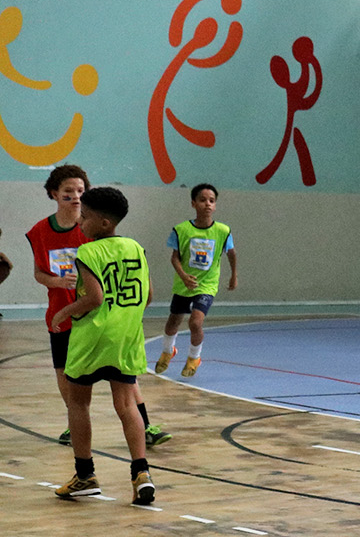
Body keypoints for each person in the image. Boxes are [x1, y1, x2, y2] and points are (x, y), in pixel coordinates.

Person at [27, 164, 168, 447]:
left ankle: (146, 426)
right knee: (65, 374)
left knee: (124, 378)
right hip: (62, 313)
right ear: (54, 193)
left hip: (99, 316)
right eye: (69, 191)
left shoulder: (93, 228)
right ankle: (74, 425)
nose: (76, 196)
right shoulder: (40, 231)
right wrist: (57, 282)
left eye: (81, 190)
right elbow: (39, 273)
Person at [49, 187, 157, 506]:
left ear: (105, 223)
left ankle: (85, 475)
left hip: (92, 338)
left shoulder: (88, 252)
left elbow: (94, 298)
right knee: (126, 404)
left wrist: (64, 312)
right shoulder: (136, 248)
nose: (80, 221)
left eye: (85, 216)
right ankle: (141, 474)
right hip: (126, 337)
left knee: (78, 403)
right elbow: (149, 296)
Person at [154, 182, 236, 377]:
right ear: (193, 203)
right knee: (173, 321)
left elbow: (231, 254)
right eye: (202, 200)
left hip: (206, 284)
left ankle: (194, 357)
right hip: (184, 284)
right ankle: (168, 351)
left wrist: (234, 275)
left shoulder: (223, 231)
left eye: (212, 201)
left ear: (215, 205)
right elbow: (175, 257)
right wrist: (183, 276)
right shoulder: (181, 230)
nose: (207, 204)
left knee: (195, 322)